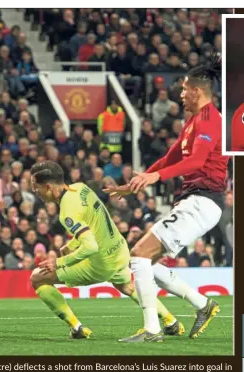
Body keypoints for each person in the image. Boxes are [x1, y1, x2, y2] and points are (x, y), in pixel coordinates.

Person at [105, 54, 227, 342]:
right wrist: (137, 182)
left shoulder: (210, 120)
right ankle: (202, 304)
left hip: (203, 201)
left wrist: (155, 178)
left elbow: (196, 161)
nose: (181, 93)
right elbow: (167, 158)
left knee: (139, 255)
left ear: (197, 90)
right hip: (195, 201)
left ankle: (152, 330)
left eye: (184, 89)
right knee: (150, 262)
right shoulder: (193, 122)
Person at [28, 161, 182, 339]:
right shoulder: (80, 188)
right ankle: (171, 321)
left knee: (38, 278)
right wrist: (71, 246)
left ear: (48, 186)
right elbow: (96, 221)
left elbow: (90, 246)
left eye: (35, 187)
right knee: (125, 285)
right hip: (119, 249)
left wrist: (58, 262)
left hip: (102, 263)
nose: (34, 191)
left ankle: (76, 328)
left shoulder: (66, 211)